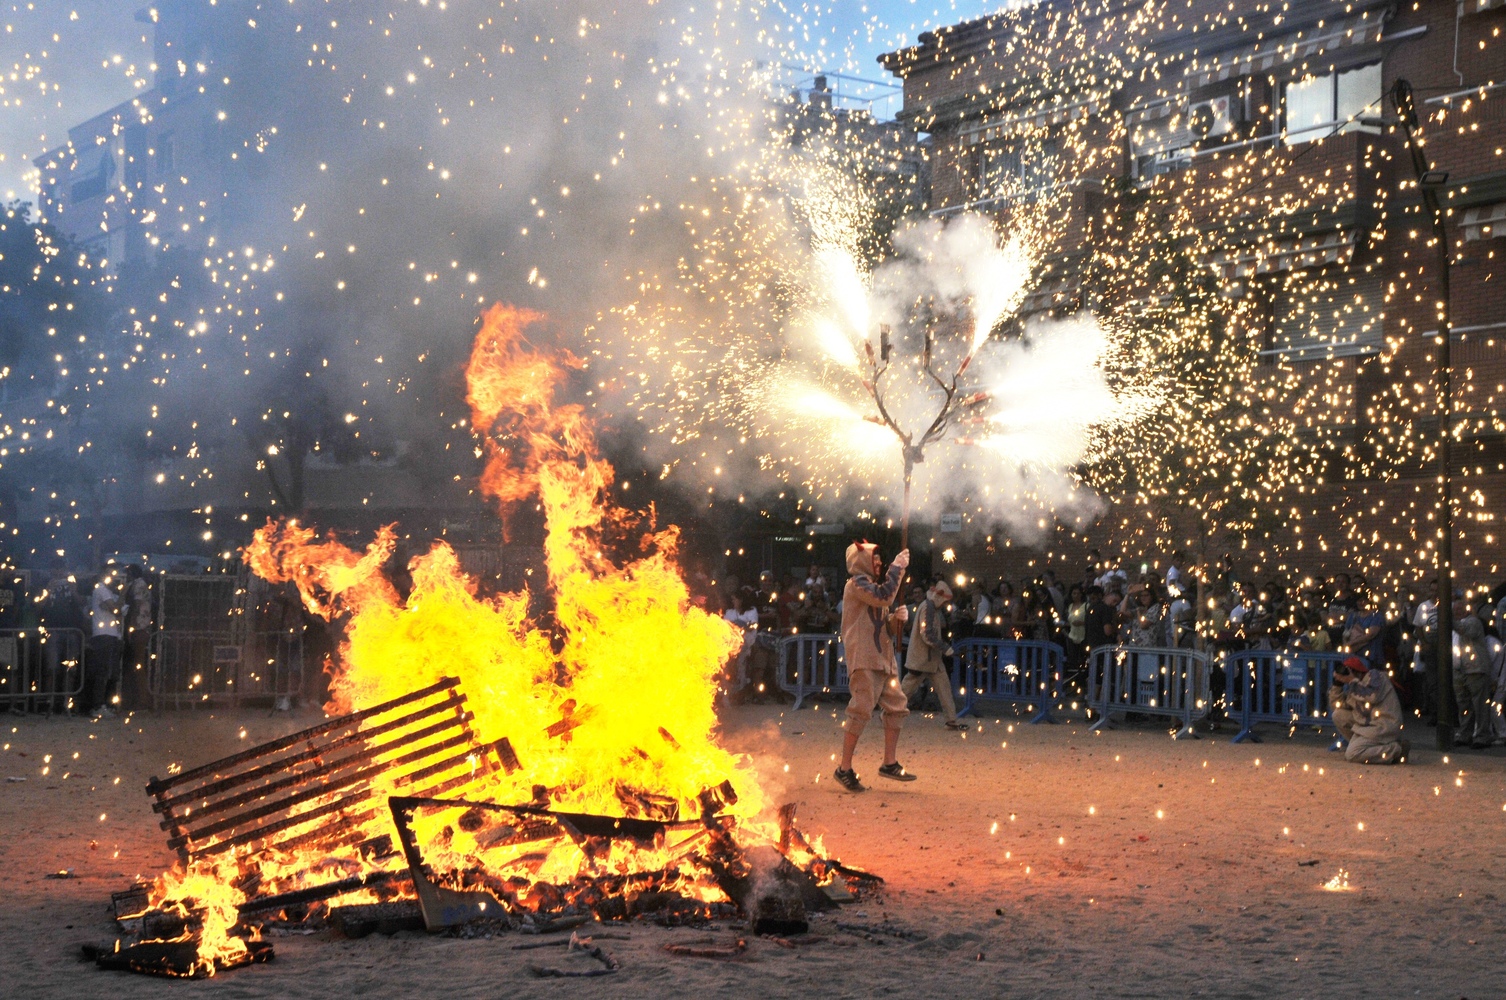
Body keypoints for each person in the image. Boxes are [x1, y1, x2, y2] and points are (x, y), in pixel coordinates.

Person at [833, 541, 913, 791]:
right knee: (860, 710)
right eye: (874, 558)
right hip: (864, 658)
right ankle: (844, 768)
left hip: (883, 659)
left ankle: (889, 762)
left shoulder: (872, 587)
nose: (878, 562)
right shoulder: (856, 584)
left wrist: (896, 620)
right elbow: (883, 596)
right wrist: (896, 569)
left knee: (897, 707)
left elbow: (883, 624)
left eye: (879, 558)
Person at [902, 581, 965, 731]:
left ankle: (951, 720)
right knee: (906, 691)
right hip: (922, 658)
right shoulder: (928, 608)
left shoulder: (930, 607)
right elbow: (927, 634)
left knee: (944, 689)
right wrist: (945, 648)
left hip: (931, 659)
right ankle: (887, 714)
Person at [1329, 655, 1408, 765]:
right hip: (1367, 725)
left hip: (1383, 724)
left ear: (1356, 672)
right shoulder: (1355, 686)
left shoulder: (1376, 676)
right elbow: (1337, 705)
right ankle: (1365, 748)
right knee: (1338, 715)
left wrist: (1352, 680)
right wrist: (1337, 685)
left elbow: (1372, 696)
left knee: (1352, 754)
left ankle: (1395, 750)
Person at [1452, 598, 1495, 749]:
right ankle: (1465, 734)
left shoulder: (1473, 622)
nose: (1456, 612)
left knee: (1480, 705)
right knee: (1463, 704)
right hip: (1459, 670)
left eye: (1459, 609)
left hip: (1475, 669)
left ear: (1467, 609)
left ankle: (1482, 736)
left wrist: (1448, 619)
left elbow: (1464, 630)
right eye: (1454, 610)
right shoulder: (1453, 626)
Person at [86, 570, 125, 717]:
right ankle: (98, 706)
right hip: (104, 635)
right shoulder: (101, 589)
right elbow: (116, 609)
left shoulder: (107, 592)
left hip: (110, 634)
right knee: (102, 671)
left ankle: (106, 704)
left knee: (110, 672)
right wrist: (123, 594)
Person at [121, 565, 153, 710]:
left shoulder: (138, 585)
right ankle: (137, 698)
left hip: (139, 628)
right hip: (140, 627)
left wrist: (131, 625)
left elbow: (137, 605)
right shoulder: (138, 584)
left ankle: (142, 699)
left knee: (138, 664)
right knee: (136, 664)